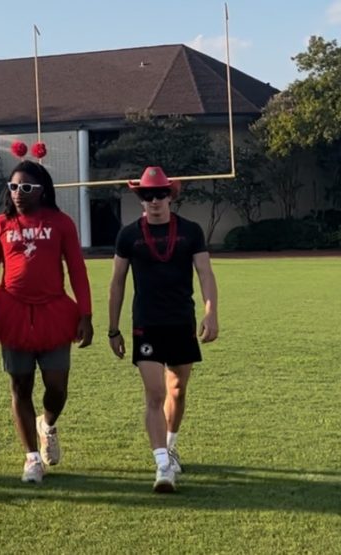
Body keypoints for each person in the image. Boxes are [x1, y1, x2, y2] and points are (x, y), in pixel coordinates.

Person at [0, 159, 93, 484]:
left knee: (57, 387)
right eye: (13, 187)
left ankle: (48, 424)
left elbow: (77, 270)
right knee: (20, 386)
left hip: (54, 312)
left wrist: (86, 314)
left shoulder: (61, 223)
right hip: (12, 312)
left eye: (26, 188)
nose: (17, 193)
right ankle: (31, 458)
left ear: (42, 191)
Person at [108, 166, 219, 493]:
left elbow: (205, 273)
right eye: (147, 195)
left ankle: (170, 445)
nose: (154, 200)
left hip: (181, 321)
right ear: (140, 198)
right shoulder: (128, 235)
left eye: (160, 194)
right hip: (147, 324)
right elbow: (117, 284)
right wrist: (113, 330)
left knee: (177, 391)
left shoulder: (191, 231)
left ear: (170, 195)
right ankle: (162, 466)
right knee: (155, 394)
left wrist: (210, 312)